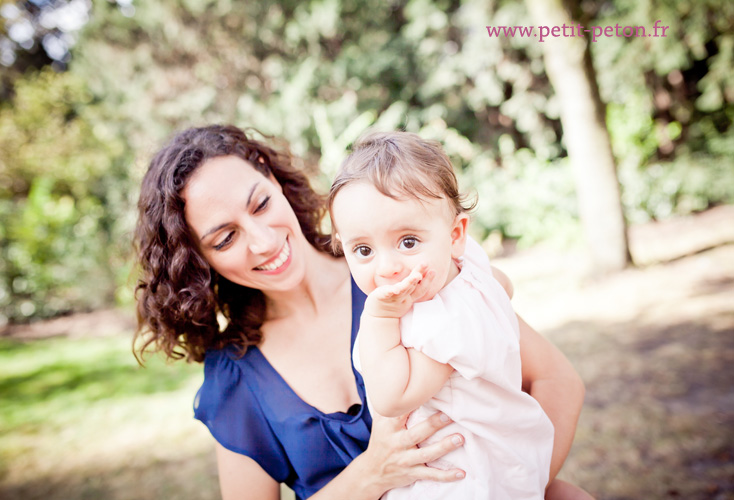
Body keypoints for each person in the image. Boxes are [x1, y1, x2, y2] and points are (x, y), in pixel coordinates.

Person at [134, 124, 588, 500]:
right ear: (197, 259)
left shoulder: (396, 272)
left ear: (271, 177)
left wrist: (524, 485)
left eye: (261, 204)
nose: (264, 241)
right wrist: (370, 475)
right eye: (225, 238)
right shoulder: (236, 378)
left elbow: (557, 381)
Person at [329, 131, 591, 499]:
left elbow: (391, 397)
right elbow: (503, 284)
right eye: (363, 249)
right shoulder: (469, 269)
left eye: (408, 242)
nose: (387, 267)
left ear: (455, 235)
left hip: (462, 481)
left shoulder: (442, 325)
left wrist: (380, 319)